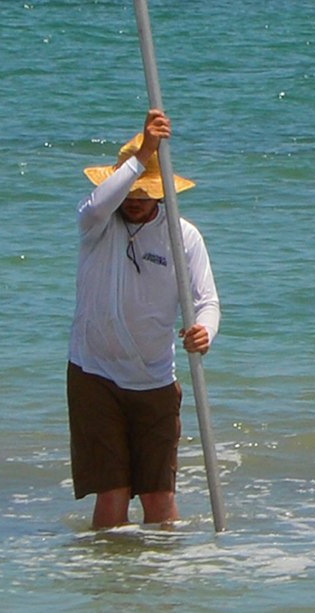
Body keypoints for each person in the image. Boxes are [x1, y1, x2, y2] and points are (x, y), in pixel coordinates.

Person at [67, 109, 220, 529]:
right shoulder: (96, 224)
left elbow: (207, 301)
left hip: (154, 378)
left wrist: (205, 330)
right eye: (129, 190)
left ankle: (159, 577)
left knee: (158, 496)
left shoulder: (182, 235)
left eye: (145, 191)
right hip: (93, 373)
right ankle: (109, 581)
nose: (134, 199)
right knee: (112, 491)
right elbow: (99, 203)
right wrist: (142, 154)